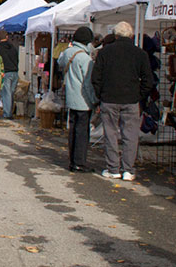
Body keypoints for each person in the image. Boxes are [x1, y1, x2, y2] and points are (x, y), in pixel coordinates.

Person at [91, 22, 152, 181]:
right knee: (130, 135)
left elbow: (96, 77)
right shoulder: (140, 54)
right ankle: (128, 170)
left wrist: (101, 94)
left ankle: (113, 168)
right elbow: (148, 80)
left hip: (109, 98)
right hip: (131, 99)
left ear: (116, 35)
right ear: (131, 36)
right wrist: (139, 95)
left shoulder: (105, 52)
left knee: (110, 134)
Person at [58, 27, 97, 172]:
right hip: (83, 100)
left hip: (70, 97)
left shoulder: (67, 53)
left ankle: (72, 161)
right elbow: (88, 83)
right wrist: (94, 100)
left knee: (73, 131)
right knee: (82, 133)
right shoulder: (85, 58)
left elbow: (60, 63)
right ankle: (79, 162)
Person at [0, 30, 19, 119]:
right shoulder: (13, 47)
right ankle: (10, 111)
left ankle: (7, 114)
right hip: (15, 72)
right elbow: (17, 59)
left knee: (6, 94)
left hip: (6, 72)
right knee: (11, 94)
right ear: (7, 37)